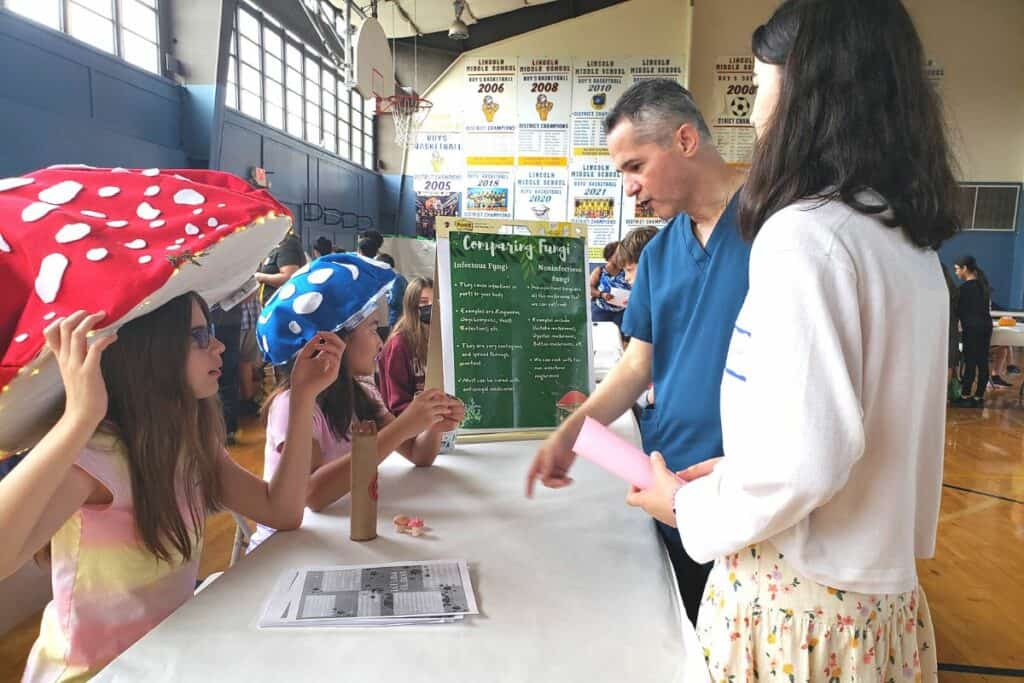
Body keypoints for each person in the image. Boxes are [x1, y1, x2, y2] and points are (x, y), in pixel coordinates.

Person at [626, 2, 959, 680]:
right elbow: (845, 435)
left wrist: (687, 504)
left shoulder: (805, 234)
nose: (752, 116)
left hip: (796, 617)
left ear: (809, 89)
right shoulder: (907, 243)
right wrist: (739, 470)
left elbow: (808, 462)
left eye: (760, 87)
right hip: (877, 609)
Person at [3, 299, 341, 681]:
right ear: (148, 351)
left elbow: (280, 510)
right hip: (96, 673)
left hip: (168, 656)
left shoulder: (189, 439)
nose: (219, 347)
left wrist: (302, 397)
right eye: (199, 338)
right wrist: (79, 418)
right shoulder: (95, 457)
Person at [525, 77, 751, 625]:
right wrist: (571, 431)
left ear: (686, 141)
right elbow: (637, 363)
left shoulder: (775, 226)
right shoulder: (656, 255)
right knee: (687, 624)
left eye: (635, 166)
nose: (628, 188)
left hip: (747, 482)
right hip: (670, 478)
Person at [249, 255, 463, 550]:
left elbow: (418, 454)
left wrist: (433, 424)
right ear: (334, 341)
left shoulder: (362, 392)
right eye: (373, 329)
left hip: (343, 535)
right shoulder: (294, 405)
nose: (380, 342)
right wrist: (403, 427)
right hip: (288, 550)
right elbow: (313, 495)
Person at [378, 277, 433, 416]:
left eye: (435, 302)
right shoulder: (399, 343)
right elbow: (396, 402)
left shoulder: (439, 336)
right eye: (424, 302)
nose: (431, 307)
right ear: (412, 305)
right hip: (410, 425)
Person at [953, 255, 992, 407]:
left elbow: (958, 311)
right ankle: (979, 397)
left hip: (972, 328)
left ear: (965, 269)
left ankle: (965, 396)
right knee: (982, 361)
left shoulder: (963, 289)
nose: (956, 273)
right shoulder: (984, 285)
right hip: (986, 327)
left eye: (957, 269)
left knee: (970, 362)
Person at [255, 230, 306, 306]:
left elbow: (288, 277)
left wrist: (260, 277)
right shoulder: (275, 244)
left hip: (283, 306)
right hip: (271, 306)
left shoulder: (287, 244)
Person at [590, 242, 629, 327]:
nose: (621, 257)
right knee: (601, 335)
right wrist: (601, 294)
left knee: (619, 337)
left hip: (621, 313)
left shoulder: (626, 271)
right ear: (610, 255)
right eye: (618, 254)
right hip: (601, 311)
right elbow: (589, 288)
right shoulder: (599, 270)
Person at [377, 252, 409, 330]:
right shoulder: (397, 278)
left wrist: (382, 300)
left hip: (395, 320)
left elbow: (395, 301)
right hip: (395, 319)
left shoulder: (395, 279)